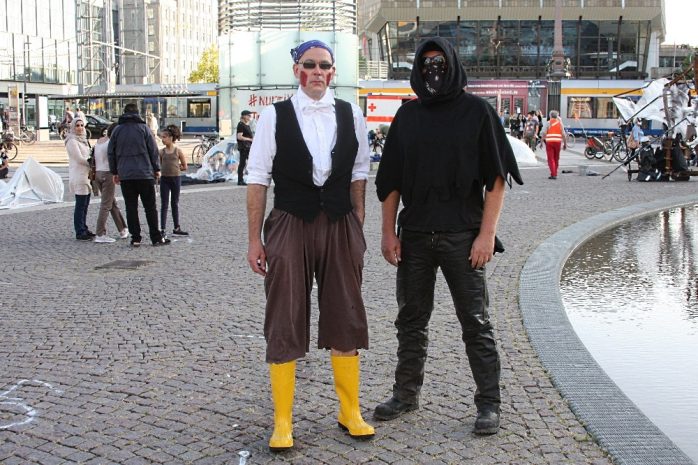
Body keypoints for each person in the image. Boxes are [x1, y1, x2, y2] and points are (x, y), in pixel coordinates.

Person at [373, 37, 523, 436]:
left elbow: (496, 180)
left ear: (453, 64)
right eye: (426, 63)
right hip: (415, 236)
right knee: (410, 320)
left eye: (439, 62)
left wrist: (487, 235)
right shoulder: (408, 116)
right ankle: (405, 394)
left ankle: (489, 404)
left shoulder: (478, 112)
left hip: (463, 236)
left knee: (476, 322)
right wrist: (388, 233)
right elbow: (390, 182)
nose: (433, 70)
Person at [246, 39, 374, 451]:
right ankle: (283, 421)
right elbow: (258, 178)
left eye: (324, 66)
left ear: (333, 72)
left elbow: (359, 171)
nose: (317, 71)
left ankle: (349, 410)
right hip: (290, 220)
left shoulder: (351, 114)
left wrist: (357, 221)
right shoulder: (274, 116)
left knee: (346, 311)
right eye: (309, 64)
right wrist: (254, 239)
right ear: (297, 70)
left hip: (339, 221)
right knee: (283, 315)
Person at [108, 103, 169, 247]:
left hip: (126, 174)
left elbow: (111, 153)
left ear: (124, 113)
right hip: (144, 173)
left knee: (131, 207)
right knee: (150, 207)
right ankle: (156, 237)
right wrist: (157, 168)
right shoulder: (144, 128)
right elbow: (153, 150)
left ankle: (135, 238)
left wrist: (115, 171)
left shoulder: (117, 130)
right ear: (137, 113)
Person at [92, 123, 128, 243]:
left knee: (112, 203)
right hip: (108, 174)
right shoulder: (112, 143)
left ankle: (122, 229)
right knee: (106, 205)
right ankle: (100, 233)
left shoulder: (99, 141)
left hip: (98, 173)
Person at [65, 117, 95, 240]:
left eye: (82, 125)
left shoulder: (83, 140)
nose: (80, 128)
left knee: (85, 204)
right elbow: (79, 158)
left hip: (86, 175)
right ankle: (80, 230)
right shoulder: (72, 141)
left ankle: (84, 227)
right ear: (73, 127)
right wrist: (92, 162)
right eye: (77, 125)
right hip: (79, 175)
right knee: (80, 204)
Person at [158, 124, 189, 237]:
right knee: (164, 204)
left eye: (164, 137)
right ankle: (162, 228)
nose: (162, 139)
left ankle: (177, 227)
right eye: (162, 137)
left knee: (174, 203)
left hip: (176, 178)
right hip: (164, 179)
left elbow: (185, 166)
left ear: (171, 138)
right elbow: (159, 165)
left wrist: (177, 168)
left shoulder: (178, 151)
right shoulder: (161, 152)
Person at [540, 110, 567, 180]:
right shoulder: (560, 124)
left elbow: (544, 133)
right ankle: (555, 173)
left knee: (551, 159)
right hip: (558, 142)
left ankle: (553, 174)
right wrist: (565, 144)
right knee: (556, 158)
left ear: (550, 116)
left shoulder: (548, 123)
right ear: (557, 116)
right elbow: (563, 135)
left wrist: (541, 142)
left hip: (550, 142)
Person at [236, 110, 254, 185]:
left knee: (251, 163)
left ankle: (251, 178)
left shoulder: (246, 125)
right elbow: (239, 137)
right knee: (242, 163)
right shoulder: (241, 125)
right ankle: (240, 180)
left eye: (250, 116)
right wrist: (250, 139)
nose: (250, 117)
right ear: (244, 116)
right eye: (248, 116)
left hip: (248, 147)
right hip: (244, 147)